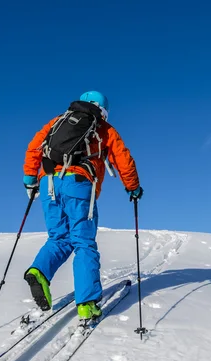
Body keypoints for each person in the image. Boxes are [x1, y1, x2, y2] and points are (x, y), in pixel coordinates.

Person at [22, 91, 143, 320]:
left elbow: (34, 148)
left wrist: (30, 179)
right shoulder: (103, 128)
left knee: (58, 237)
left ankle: (38, 271)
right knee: (84, 243)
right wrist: (133, 188)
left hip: (48, 181)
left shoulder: (57, 121)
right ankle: (87, 304)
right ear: (103, 110)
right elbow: (123, 159)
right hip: (78, 184)